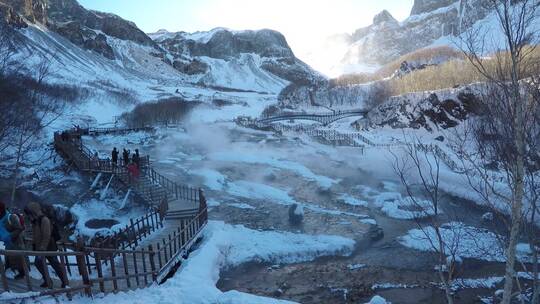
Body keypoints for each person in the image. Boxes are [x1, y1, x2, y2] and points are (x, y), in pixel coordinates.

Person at [24, 202, 68, 288]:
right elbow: (36, 235)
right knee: (39, 263)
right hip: (41, 247)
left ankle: (64, 281)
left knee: (55, 264)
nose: (28, 215)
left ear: (33, 211)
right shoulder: (35, 221)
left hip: (49, 246)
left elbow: (47, 234)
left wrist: (42, 247)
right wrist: (34, 245)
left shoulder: (44, 220)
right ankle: (48, 281)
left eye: (29, 213)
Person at [0, 201, 25, 279]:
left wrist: (10, 236)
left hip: (15, 242)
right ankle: (9, 271)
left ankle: (22, 274)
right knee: (9, 257)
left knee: (18, 258)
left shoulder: (11, 217)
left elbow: (19, 228)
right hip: (6, 242)